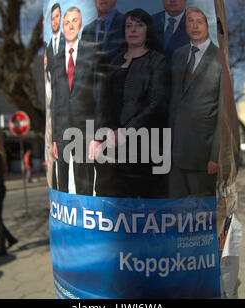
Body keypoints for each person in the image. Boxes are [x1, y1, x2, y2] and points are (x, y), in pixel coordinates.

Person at [92, 8, 171, 198]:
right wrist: (97, 136)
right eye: (129, 26)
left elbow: (157, 103)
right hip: (110, 147)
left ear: (147, 30)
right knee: (110, 204)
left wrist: (127, 131)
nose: (133, 30)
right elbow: (103, 102)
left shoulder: (158, 61)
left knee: (143, 207)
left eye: (139, 25)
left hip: (144, 147)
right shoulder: (113, 62)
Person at [169, 6, 223, 198]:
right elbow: (173, 103)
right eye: (190, 21)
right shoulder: (178, 55)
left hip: (202, 156)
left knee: (200, 214)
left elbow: (223, 113)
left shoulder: (220, 58)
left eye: (199, 21)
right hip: (175, 153)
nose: (195, 26)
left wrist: (215, 156)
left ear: (208, 26)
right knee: (177, 214)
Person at [51, 7, 99, 196]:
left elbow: (98, 96)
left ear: (80, 25)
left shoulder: (91, 54)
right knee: (62, 185)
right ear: (62, 27)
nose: (70, 26)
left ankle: (85, 221)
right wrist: (54, 138)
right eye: (67, 22)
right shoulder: (55, 61)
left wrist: (96, 134)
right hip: (62, 131)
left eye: (75, 21)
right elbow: (55, 101)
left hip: (85, 132)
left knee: (84, 184)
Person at [44, 45, 56, 189]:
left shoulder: (55, 77)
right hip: (49, 130)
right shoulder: (45, 78)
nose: (46, 60)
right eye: (45, 56)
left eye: (48, 56)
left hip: (55, 130)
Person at [46, 3, 65, 70]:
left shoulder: (67, 42)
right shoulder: (48, 49)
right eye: (52, 18)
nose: (54, 21)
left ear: (61, 17)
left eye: (57, 16)